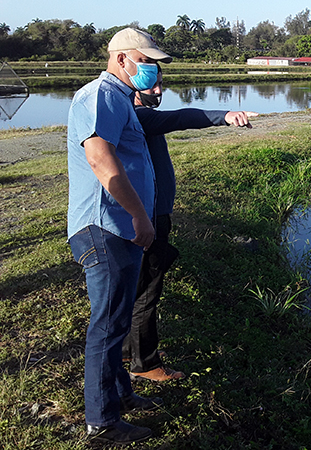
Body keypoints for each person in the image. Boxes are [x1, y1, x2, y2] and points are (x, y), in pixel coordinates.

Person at [66, 27, 171, 445]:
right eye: (145, 61)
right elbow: (99, 157)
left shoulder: (120, 99)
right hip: (105, 227)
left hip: (119, 228)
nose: (151, 69)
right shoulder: (101, 94)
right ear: (121, 59)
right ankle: (102, 422)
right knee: (107, 327)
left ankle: (122, 394)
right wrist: (139, 216)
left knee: (119, 317)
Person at [122, 67, 259, 381]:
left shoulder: (133, 115)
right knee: (146, 292)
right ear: (134, 86)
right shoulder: (139, 117)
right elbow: (180, 118)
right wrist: (223, 115)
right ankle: (145, 365)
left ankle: (130, 350)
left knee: (139, 287)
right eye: (152, 86)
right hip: (149, 217)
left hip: (151, 213)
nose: (159, 91)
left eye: (161, 85)